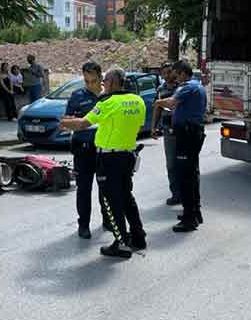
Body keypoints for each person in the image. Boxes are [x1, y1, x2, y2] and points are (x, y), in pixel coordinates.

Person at [60, 68, 146, 259]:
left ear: (112, 82)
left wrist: (65, 124)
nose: (102, 84)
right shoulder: (138, 101)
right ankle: (139, 237)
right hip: (127, 156)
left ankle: (121, 243)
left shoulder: (107, 102)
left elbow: (83, 123)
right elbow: (139, 126)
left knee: (110, 201)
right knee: (127, 198)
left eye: (104, 80)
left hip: (108, 158)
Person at [154, 60, 207, 232]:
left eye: (176, 74)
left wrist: (158, 102)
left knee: (185, 176)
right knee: (191, 174)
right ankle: (193, 212)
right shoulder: (195, 86)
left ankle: (189, 218)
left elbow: (171, 103)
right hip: (191, 133)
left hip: (187, 134)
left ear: (183, 73)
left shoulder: (188, 87)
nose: (174, 78)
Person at [65, 61, 111, 239]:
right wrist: (77, 123)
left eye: (93, 80)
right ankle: (83, 224)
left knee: (105, 188)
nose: (90, 85)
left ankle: (108, 219)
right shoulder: (77, 96)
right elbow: (68, 120)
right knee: (83, 189)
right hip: (83, 149)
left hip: (105, 149)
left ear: (101, 77)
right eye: (87, 81)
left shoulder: (109, 95)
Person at [150, 63, 180, 206]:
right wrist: (153, 127)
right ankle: (175, 194)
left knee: (185, 163)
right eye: (164, 73)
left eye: (169, 72)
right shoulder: (161, 89)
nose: (167, 75)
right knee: (171, 164)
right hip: (168, 130)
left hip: (182, 129)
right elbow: (157, 108)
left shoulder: (181, 87)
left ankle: (188, 194)